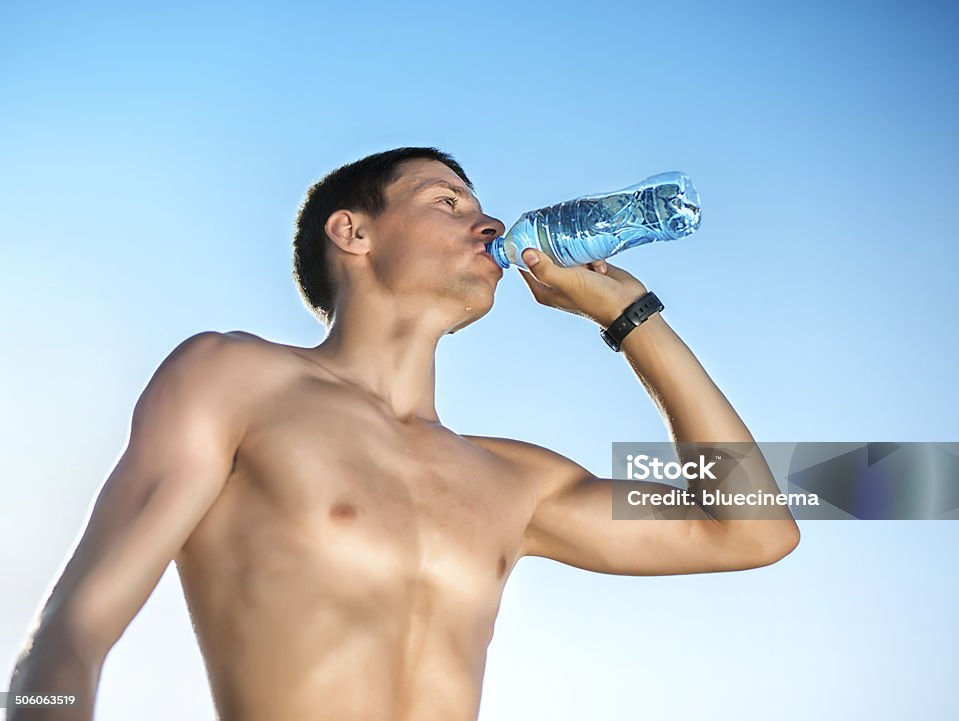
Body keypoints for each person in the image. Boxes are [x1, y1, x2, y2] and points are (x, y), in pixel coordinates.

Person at [7, 147, 799, 721]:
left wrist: (633, 320)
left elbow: (753, 526)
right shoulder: (235, 375)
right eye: (447, 202)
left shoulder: (517, 479)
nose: (489, 221)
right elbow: (73, 630)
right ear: (352, 233)